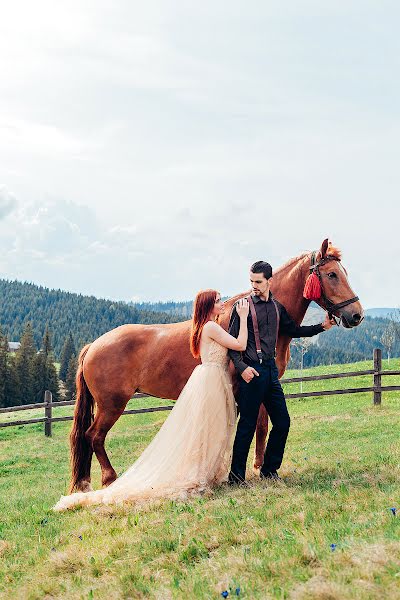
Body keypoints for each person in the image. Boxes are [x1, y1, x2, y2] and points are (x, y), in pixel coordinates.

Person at [53, 290, 249, 511]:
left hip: (210, 380)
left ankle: (203, 471)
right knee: (203, 429)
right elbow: (240, 345)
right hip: (212, 381)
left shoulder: (202, 327)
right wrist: (242, 318)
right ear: (208, 306)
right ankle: (197, 473)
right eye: (216, 301)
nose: (221, 303)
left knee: (203, 430)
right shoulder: (211, 327)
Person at [228, 261, 334, 485]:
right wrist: (242, 368)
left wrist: (321, 327)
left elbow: (294, 330)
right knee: (246, 425)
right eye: (251, 282)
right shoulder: (242, 307)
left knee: (283, 422)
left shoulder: (277, 307)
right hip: (251, 371)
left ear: (269, 281)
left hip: (270, 371)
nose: (254, 286)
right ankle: (236, 477)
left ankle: (269, 470)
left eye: (258, 282)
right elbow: (232, 345)